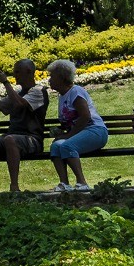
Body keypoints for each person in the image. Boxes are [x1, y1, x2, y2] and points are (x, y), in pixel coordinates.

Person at [0, 59, 49, 192]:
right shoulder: (17, 93)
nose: (15, 75)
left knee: (10, 139)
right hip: (12, 138)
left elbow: (19, 104)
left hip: (32, 139)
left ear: (29, 72)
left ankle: (14, 187)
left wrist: (5, 82)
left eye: (17, 72)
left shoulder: (38, 91)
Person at [44, 59, 107, 194]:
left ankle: (82, 183)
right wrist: (60, 132)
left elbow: (85, 117)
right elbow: (70, 121)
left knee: (67, 146)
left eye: (52, 76)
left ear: (61, 77)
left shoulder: (76, 92)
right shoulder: (62, 96)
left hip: (95, 131)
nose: (49, 80)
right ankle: (64, 183)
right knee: (56, 146)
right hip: (80, 133)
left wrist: (68, 135)